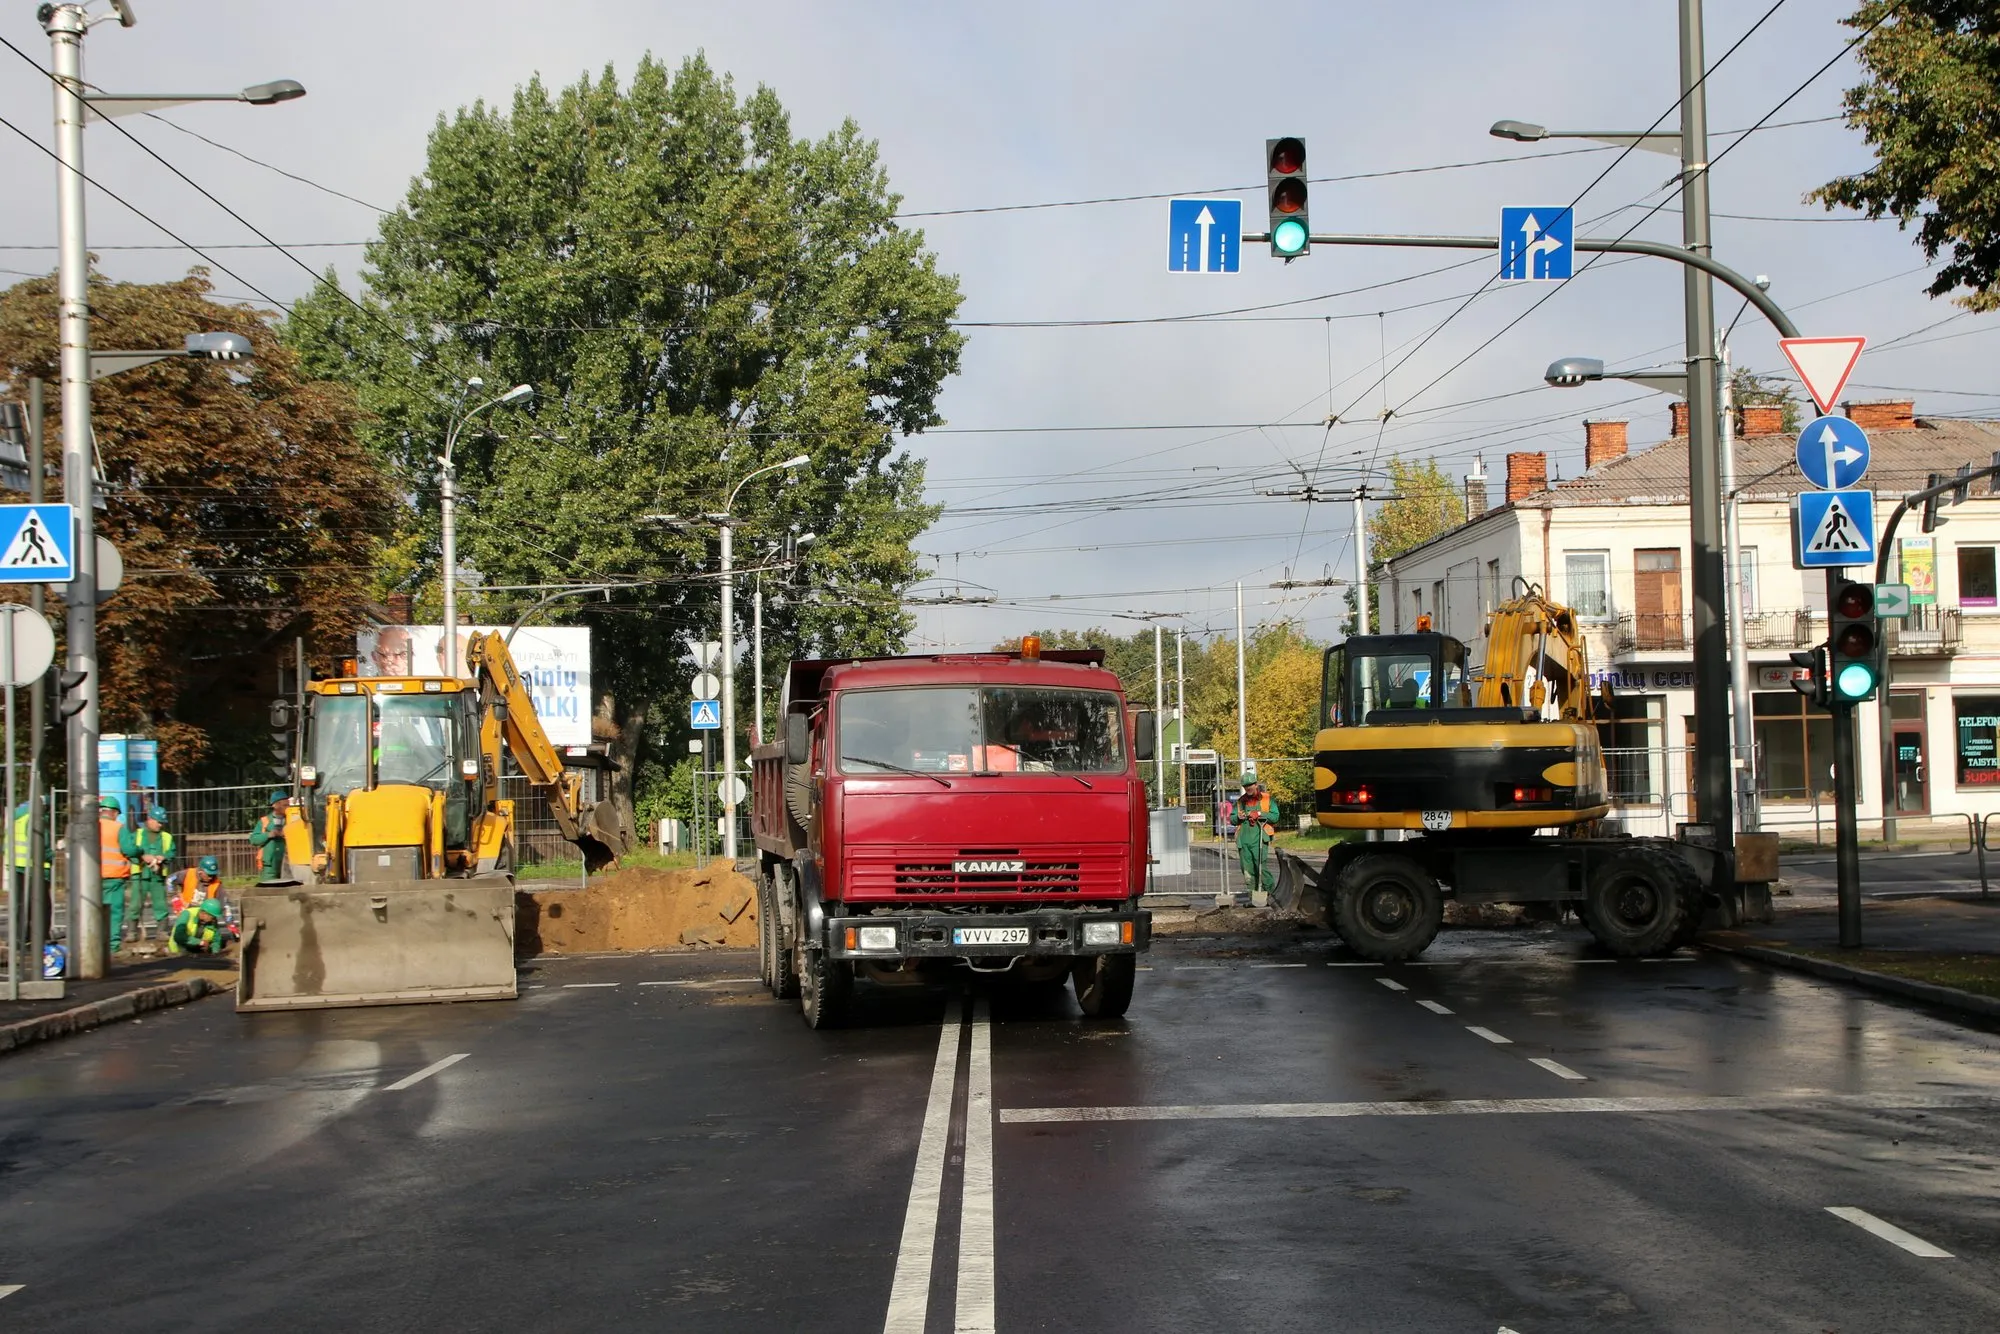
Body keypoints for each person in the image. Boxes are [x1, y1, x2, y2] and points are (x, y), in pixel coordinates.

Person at [99, 795, 138, 952]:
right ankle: (112, 945)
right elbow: (129, 850)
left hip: (92, 878)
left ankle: (93, 944)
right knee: (114, 912)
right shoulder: (118, 828)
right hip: (114, 877)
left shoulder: (91, 826)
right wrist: (139, 852)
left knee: (93, 910)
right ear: (114, 812)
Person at [132, 805, 176, 939]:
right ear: (150, 819)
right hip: (140, 875)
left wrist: (164, 857)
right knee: (135, 904)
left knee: (160, 904)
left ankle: (162, 932)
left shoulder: (166, 837)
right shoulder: (137, 834)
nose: (160, 825)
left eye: (162, 822)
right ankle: (131, 932)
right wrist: (142, 856)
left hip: (157, 875)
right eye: (158, 822)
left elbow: (172, 852)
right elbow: (130, 850)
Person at [1235, 779, 1280, 902]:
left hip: (1260, 838)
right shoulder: (1240, 802)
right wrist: (1238, 817)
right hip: (1244, 840)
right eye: (1245, 786)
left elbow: (1275, 816)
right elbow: (1233, 818)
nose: (1248, 788)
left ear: (1256, 785)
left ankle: (1271, 895)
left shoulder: (1267, 799)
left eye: (1250, 785)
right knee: (1247, 869)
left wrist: (1259, 813)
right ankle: (1253, 897)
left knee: (1260, 867)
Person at [168, 895, 233, 956]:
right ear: (204, 913)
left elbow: (216, 940)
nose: (214, 919)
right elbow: (179, 936)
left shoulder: (212, 922)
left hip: (196, 951)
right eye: (212, 917)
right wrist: (201, 942)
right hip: (178, 951)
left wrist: (214, 953)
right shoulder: (188, 914)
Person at [250, 791, 289, 882]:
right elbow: (254, 839)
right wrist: (269, 835)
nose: (288, 808)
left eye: (288, 805)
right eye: (285, 805)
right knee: (269, 887)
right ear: (275, 805)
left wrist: (287, 834)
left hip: (288, 863)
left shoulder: (292, 819)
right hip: (269, 865)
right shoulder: (265, 821)